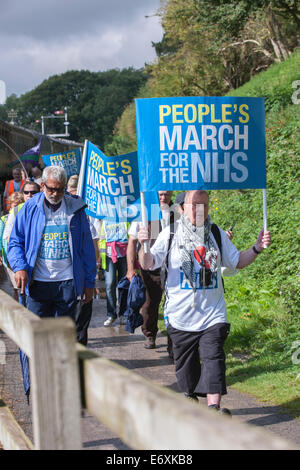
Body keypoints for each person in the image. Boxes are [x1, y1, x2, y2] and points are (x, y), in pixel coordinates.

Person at [137, 190, 271, 413]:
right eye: (194, 205)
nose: (200, 210)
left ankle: (213, 408)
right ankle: (190, 397)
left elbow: (237, 261)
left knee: (214, 357)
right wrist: (143, 245)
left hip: (213, 313)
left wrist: (257, 248)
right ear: (182, 208)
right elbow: (149, 262)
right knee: (186, 368)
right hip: (181, 315)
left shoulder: (216, 233)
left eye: (205, 205)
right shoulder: (171, 233)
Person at [7, 165, 96, 320]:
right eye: (51, 189)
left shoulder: (76, 208)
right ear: (42, 186)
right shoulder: (30, 208)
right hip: (38, 283)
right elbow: (15, 242)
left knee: (61, 337)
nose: (56, 194)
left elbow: (86, 248)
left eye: (61, 190)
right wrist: (19, 267)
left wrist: (89, 283)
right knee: (35, 336)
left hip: (67, 283)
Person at [126, 191, 173, 349]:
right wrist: (131, 268)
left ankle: (173, 342)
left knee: (174, 303)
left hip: (172, 266)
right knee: (150, 303)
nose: (163, 198)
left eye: (166, 194)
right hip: (150, 267)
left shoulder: (178, 212)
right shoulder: (146, 212)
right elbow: (132, 242)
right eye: (160, 195)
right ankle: (150, 334)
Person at [67, 174, 100, 345]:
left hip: (83, 273)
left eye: (76, 194)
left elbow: (92, 243)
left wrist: (95, 264)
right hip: (66, 278)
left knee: (82, 316)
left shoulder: (86, 215)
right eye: (70, 194)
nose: (73, 198)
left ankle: (80, 351)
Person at [100, 220, 129, 327]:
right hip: (109, 255)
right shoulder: (104, 217)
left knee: (124, 285)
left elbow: (131, 235)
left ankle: (123, 314)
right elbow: (101, 238)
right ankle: (111, 314)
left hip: (124, 254)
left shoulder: (125, 215)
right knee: (109, 284)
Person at [0, 191, 24, 301]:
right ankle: (18, 304)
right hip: (8, 257)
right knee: (15, 286)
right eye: (15, 205)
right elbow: (1, 237)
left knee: (22, 285)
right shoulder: (4, 219)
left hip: (22, 256)